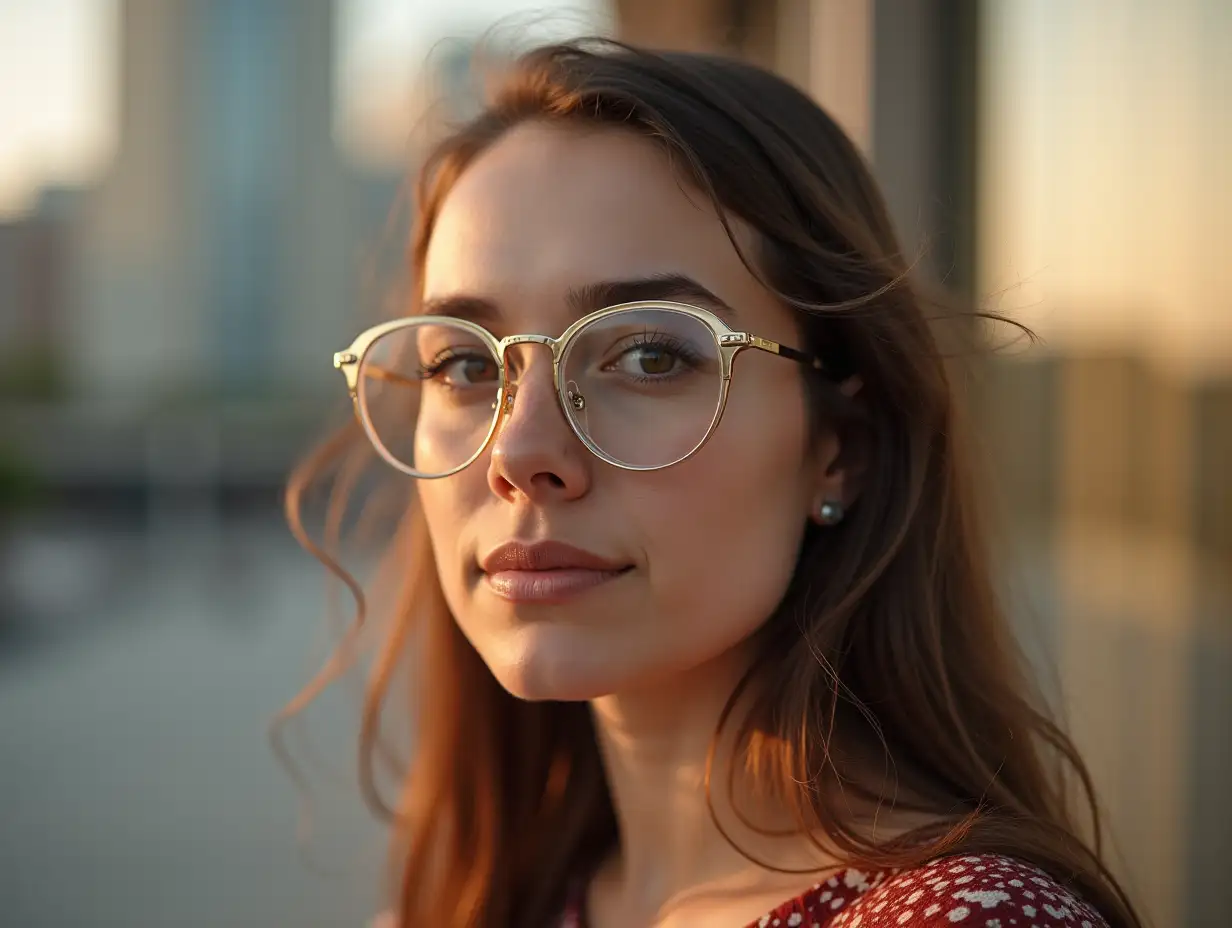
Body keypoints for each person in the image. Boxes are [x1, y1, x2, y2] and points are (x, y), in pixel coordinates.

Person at [283, 40, 1143, 928]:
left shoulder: (966, 919)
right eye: (464, 364)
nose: (520, 451)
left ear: (837, 450)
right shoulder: (471, 906)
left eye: (649, 356)